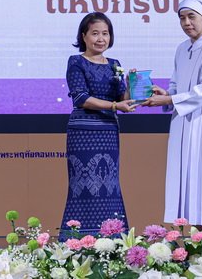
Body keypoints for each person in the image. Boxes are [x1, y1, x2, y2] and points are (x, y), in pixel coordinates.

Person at [143, 0, 202, 226]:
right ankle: (192, 239)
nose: (186, 23)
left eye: (191, 17)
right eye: (182, 18)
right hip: (182, 119)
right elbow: (176, 83)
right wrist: (165, 94)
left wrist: (170, 99)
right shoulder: (182, 48)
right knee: (185, 177)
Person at [60, 12, 135, 238]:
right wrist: (114, 106)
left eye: (105, 33)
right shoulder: (76, 61)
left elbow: (122, 99)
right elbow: (80, 98)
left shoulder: (115, 64)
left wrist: (131, 85)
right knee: (83, 188)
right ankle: (78, 241)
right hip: (83, 133)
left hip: (108, 132)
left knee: (109, 187)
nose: (101, 38)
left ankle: (111, 241)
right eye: (95, 33)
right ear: (83, 36)